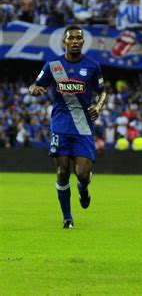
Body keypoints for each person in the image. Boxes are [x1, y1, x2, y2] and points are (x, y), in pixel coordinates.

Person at [29, 25, 107, 229]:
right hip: (60, 126)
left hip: (83, 127)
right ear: (64, 41)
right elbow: (35, 85)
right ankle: (67, 217)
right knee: (62, 171)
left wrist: (98, 106)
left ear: (83, 42)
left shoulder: (92, 66)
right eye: (71, 38)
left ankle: (84, 189)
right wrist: (34, 89)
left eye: (78, 38)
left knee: (82, 174)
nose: (75, 41)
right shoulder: (53, 65)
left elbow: (103, 91)